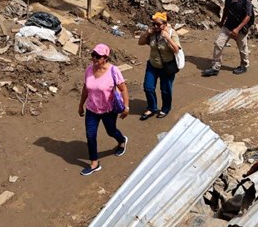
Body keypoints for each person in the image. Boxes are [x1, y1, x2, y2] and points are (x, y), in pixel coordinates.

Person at [76, 43, 129, 176]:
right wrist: (81, 105)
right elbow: (85, 88)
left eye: (98, 56)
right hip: (92, 109)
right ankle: (94, 163)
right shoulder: (89, 70)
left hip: (108, 110)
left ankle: (122, 140)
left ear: (105, 58)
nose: (94, 58)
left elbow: (123, 89)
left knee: (111, 131)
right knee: (90, 135)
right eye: (93, 55)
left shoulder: (113, 71)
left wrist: (126, 107)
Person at [201, 0, 253, 77]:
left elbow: (248, 16)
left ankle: (244, 66)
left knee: (242, 48)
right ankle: (215, 67)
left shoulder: (245, 0)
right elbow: (226, 9)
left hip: (241, 29)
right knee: (218, 44)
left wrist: (237, 29)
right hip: (228, 26)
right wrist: (222, 21)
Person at [138, 11, 181, 120]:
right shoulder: (152, 33)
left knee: (165, 90)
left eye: (158, 24)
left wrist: (167, 38)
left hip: (167, 67)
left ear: (165, 24)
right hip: (153, 65)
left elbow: (176, 49)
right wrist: (146, 33)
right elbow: (141, 42)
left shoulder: (172, 33)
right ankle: (152, 108)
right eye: (154, 24)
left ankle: (165, 108)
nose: (155, 26)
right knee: (148, 87)